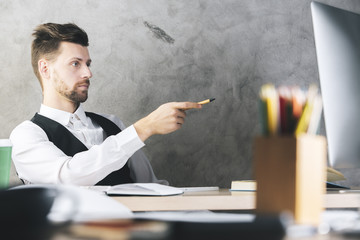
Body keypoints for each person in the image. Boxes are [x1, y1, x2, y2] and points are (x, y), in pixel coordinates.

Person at [10, 23, 201, 186]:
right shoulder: (27, 135)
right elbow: (68, 176)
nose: (88, 73)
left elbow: (151, 187)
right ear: (45, 68)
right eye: (76, 64)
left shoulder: (113, 124)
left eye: (88, 64)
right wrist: (143, 128)